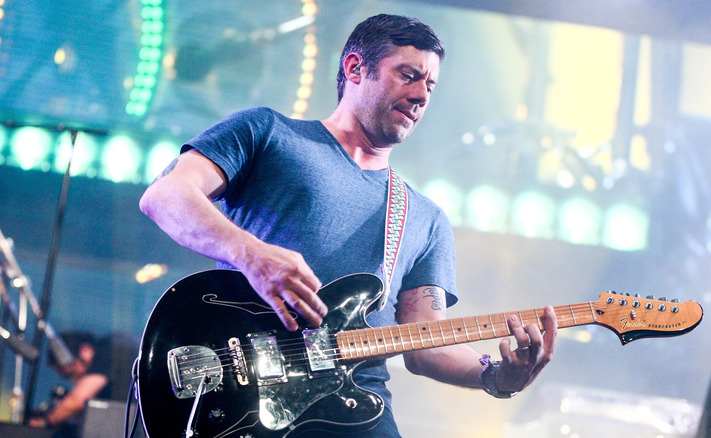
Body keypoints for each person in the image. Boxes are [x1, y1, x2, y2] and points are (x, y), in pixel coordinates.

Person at [139, 13, 557, 437]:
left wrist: (496, 376)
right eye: (408, 76)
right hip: (242, 390)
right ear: (355, 68)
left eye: (429, 86)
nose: (420, 96)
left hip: (355, 406)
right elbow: (165, 196)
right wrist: (251, 254)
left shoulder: (424, 218)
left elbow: (424, 346)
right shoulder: (268, 132)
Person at [27, 331, 138, 437]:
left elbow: (76, 401)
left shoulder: (109, 348)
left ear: (85, 350)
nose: (75, 380)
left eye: (71, 374)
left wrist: (45, 421)